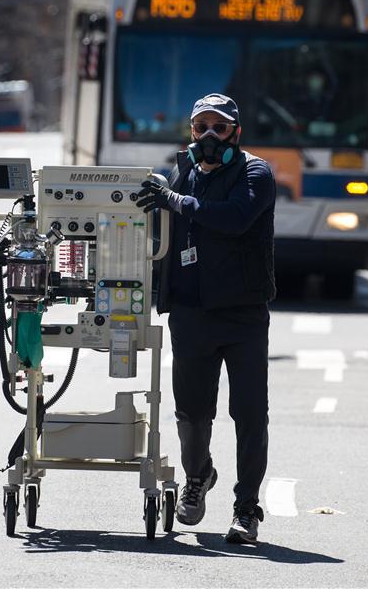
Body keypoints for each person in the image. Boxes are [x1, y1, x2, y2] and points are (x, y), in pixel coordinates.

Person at [136, 93, 276, 543]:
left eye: (219, 127)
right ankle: (198, 478)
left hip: (243, 314)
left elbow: (235, 219)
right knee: (192, 411)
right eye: (202, 128)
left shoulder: (255, 172)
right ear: (191, 133)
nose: (210, 136)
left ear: (236, 132)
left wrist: (174, 200)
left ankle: (246, 508)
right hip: (192, 312)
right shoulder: (185, 172)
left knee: (250, 414)